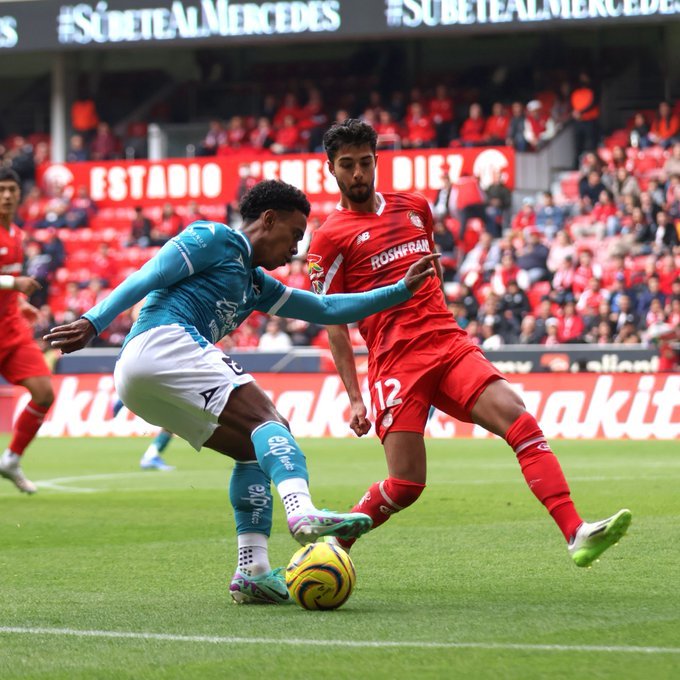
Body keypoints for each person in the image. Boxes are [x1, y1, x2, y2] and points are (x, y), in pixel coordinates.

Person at [44, 179, 438, 604]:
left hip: (140, 378)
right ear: (268, 220)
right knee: (271, 421)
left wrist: (401, 290)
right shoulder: (215, 238)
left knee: (252, 450)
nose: (296, 249)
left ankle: (252, 571)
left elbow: (326, 309)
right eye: (294, 234)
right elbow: (151, 273)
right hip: (161, 341)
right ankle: (301, 511)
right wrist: (94, 321)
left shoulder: (257, 285)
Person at [307, 119, 631, 570]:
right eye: (347, 165)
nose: (358, 173)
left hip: (447, 343)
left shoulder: (415, 207)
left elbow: (432, 270)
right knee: (406, 484)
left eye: (365, 162)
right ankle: (334, 544)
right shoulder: (328, 239)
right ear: (331, 169)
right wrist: (355, 397)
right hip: (397, 363)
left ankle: (576, 531)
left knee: (519, 420)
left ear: (376, 161)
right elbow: (332, 323)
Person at [0, 168, 55, 494]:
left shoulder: (18, 235)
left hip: (11, 328)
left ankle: (11, 459)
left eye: (11, 190)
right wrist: (13, 283)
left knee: (44, 393)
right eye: (1, 189)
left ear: (20, 195)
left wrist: (20, 301)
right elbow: (9, 278)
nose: (6, 195)